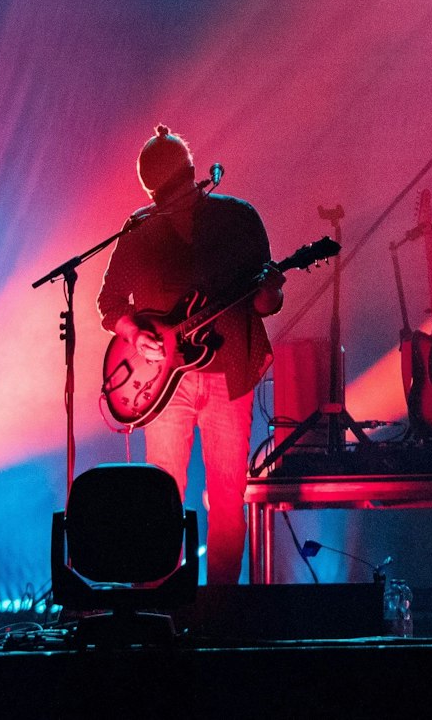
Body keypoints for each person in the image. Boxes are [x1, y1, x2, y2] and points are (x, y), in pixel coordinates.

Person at [98, 125, 283, 584]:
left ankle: (221, 609)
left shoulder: (238, 218)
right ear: (151, 191)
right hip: (161, 382)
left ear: (194, 174)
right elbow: (110, 303)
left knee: (226, 496)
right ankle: (156, 601)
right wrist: (133, 331)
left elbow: (266, 303)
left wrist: (269, 292)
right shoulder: (140, 228)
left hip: (228, 374)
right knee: (160, 493)